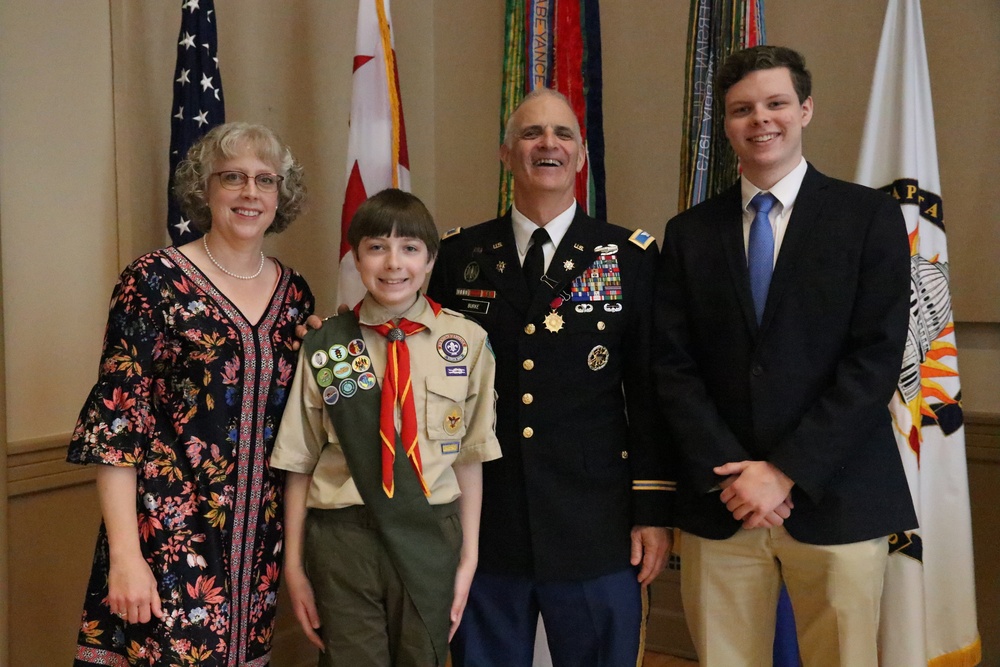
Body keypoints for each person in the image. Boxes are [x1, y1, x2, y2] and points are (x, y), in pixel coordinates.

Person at [653, 45, 918, 666]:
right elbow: (673, 366)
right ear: (726, 124)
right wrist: (738, 475)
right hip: (725, 504)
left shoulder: (869, 217)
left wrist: (786, 470)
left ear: (805, 109)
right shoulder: (689, 233)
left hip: (838, 495)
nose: (760, 120)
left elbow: (875, 360)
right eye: (742, 109)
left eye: (775, 104)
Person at [427, 88, 674, 666]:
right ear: (507, 154)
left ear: (581, 156)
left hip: (596, 524)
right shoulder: (459, 257)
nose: (549, 144)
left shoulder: (627, 256)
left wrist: (653, 510)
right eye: (532, 134)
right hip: (488, 523)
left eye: (563, 134)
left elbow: (650, 390)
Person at [67, 122, 314, 666]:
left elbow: (301, 429)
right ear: (205, 191)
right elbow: (117, 425)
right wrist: (126, 556)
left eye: (265, 180)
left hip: (258, 547)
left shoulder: (294, 295)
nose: (250, 192)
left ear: (281, 195)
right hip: (165, 538)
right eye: (233, 178)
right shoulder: (153, 280)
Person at [271, 188, 501, 666]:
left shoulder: (467, 341)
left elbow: (471, 458)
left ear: (431, 260)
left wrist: (469, 559)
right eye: (376, 247)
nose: (393, 263)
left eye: (410, 248)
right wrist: (294, 565)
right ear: (356, 258)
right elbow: (299, 462)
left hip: (430, 535)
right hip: (343, 541)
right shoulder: (327, 344)